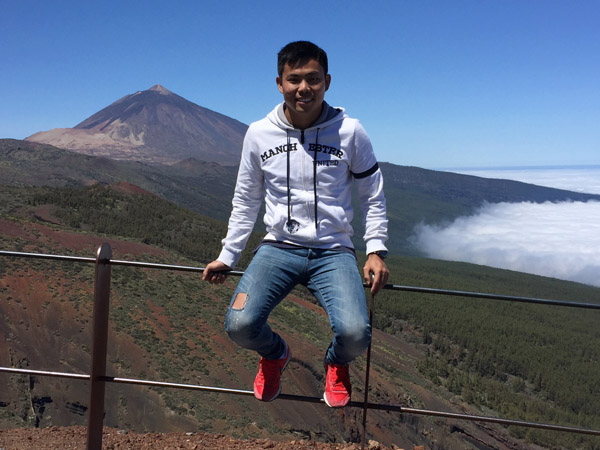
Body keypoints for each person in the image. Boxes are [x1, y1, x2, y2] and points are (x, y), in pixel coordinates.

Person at [203, 40, 389, 408]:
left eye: (313, 79)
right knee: (240, 325)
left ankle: (336, 362)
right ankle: (275, 355)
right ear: (279, 83)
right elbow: (246, 200)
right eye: (294, 80)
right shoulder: (258, 134)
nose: (304, 88)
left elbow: (373, 194)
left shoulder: (351, 131)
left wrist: (375, 249)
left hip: (334, 251)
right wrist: (229, 255)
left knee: (355, 334)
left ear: (327, 81)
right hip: (278, 248)